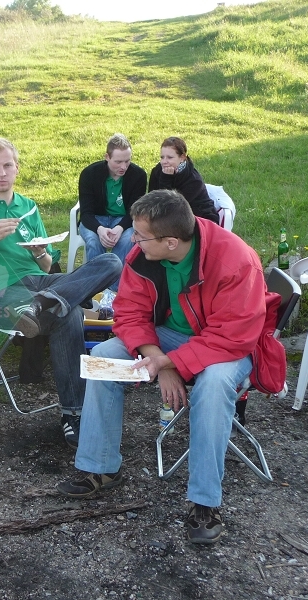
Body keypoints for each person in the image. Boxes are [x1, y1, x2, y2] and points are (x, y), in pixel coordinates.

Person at [57, 190, 268, 545]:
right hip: (168, 340)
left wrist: (169, 362)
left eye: (140, 235)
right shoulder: (144, 255)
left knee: (214, 384)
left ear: (171, 242)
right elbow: (129, 313)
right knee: (105, 357)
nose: (132, 241)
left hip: (228, 345)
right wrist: (161, 362)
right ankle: (100, 468)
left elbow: (233, 336)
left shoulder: (236, 260)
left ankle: (205, 502)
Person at [0, 137, 122, 448]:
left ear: (17, 168)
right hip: (0, 293)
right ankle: (74, 413)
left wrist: (40, 252)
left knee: (111, 262)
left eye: (8, 165)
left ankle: (50, 300)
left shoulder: (28, 207)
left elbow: (46, 264)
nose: (2, 172)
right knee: (68, 314)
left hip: (41, 285)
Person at [78, 133, 147, 289]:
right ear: (107, 157)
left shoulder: (138, 175)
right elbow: (86, 214)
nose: (123, 167)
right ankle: (95, 289)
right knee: (93, 241)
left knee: (127, 239)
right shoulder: (89, 174)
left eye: (127, 161)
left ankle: (113, 291)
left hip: (124, 219)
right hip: (95, 219)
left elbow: (135, 211)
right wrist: (99, 229)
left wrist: (120, 227)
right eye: (118, 162)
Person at [148, 137, 219, 224]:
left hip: (200, 219)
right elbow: (151, 200)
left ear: (182, 157)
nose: (164, 161)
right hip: (169, 218)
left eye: (170, 157)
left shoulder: (194, 180)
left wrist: (166, 178)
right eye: (162, 157)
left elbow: (171, 207)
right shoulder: (157, 171)